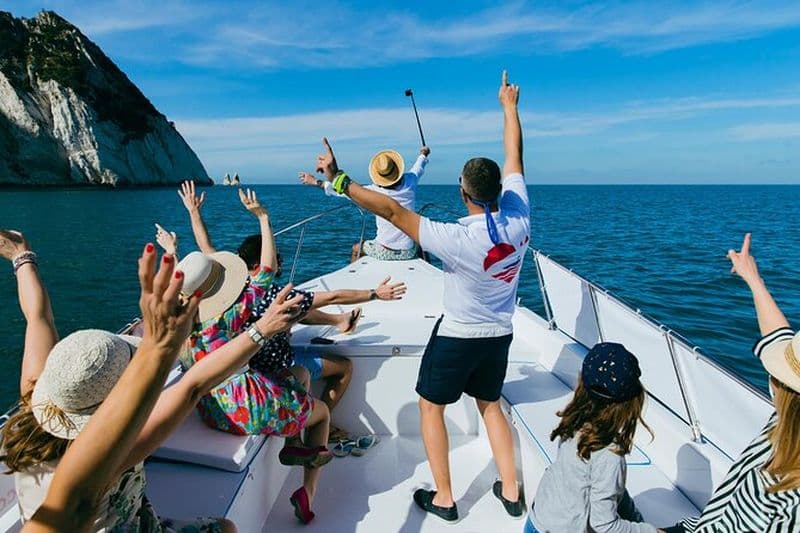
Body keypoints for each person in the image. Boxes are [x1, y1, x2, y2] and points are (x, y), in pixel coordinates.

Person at [314, 70, 529, 523]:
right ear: (499, 191)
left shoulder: (455, 238)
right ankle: (510, 491)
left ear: (463, 192)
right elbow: (515, 155)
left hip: (458, 336)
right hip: (500, 334)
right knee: (490, 404)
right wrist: (509, 107)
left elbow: (392, 210)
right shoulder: (520, 216)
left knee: (431, 408)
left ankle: (446, 498)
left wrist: (339, 180)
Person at [0, 231, 303, 531]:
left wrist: (21, 257)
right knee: (225, 528)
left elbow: (38, 317)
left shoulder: (33, 400)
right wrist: (262, 329)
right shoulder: (119, 450)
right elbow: (194, 385)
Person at [165, 183, 407, 442]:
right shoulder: (250, 301)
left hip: (217, 406)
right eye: (278, 258)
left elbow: (206, 249)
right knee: (337, 375)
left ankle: (339, 323)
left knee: (301, 356)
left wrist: (184, 230)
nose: (280, 261)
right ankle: (319, 431)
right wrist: (374, 293)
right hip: (264, 381)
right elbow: (327, 294)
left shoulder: (198, 320)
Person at [174, 188, 333, 524]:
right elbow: (266, 271)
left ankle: (293, 443)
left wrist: (190, 220)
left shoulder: (182, 325)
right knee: (321, 414)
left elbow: (208, 256)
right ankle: (308, 489)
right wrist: (263, 217)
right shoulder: (230, 315)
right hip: (247, 407)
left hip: (211, 411)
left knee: (298, 376)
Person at [664, 233, 800, 532]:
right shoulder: (785, 421)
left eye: (777, 372)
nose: (771, 377)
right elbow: (777, 335)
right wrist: (753, 279)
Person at [526, 343, 663, 533]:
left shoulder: (574, 420)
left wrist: (633, 518)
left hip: (537, 521)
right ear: (632, 403)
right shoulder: (610, 455)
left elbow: (605, 486)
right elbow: (604, 525)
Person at [299, 144, 430, 263]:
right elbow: (419, 167)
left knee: (356, 248)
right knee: (420, 243)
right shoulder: (410, 180)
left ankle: (352, 275)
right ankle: (427, 267)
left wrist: (315, 181)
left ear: (379, 175)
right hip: (408, 251)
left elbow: (342, 191)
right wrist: (423, 154)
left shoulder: (373, 191)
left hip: (385, 251)